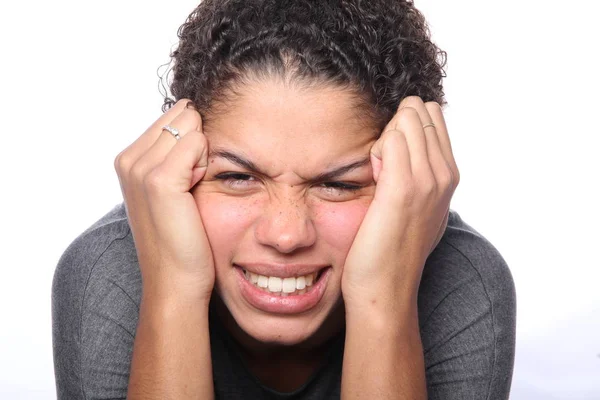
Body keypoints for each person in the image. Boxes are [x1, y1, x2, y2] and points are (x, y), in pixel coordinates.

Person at [51, 0, 516, 398]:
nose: (286, 234)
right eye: (237, 177)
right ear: (177, 165)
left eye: (339, 185)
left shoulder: (463, 280)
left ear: (409, 181)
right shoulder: (105, 273)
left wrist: (384, 299)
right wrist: (173, 292)